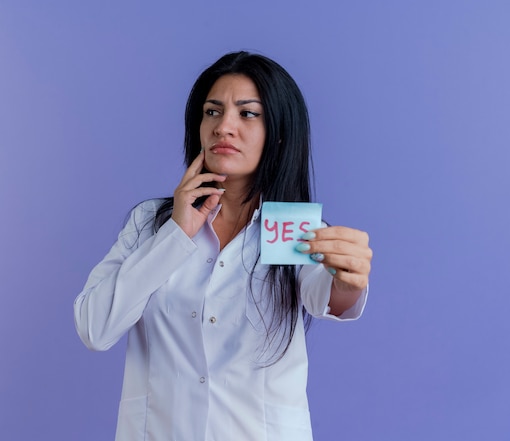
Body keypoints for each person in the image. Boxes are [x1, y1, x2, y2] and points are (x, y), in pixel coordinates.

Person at [74, 51, 372, 441]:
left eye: (248, 114)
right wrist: (177, 235)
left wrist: (348, 284)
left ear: (278, 132)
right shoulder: (149, 223)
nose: (223, 127)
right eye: (212, 112)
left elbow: (326, 295)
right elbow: (95, 328)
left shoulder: (292, 228)